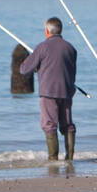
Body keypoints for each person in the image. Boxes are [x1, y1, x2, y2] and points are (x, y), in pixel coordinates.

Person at [19, 17, 78, 162]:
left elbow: (24, 69)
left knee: (49, 125)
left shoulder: (42, 47)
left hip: (48, 93)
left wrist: (29, 62)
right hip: (67, 91)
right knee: (67, 125)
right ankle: (69, 158)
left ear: (47, 31)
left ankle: (53, 159)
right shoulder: (71, 48)